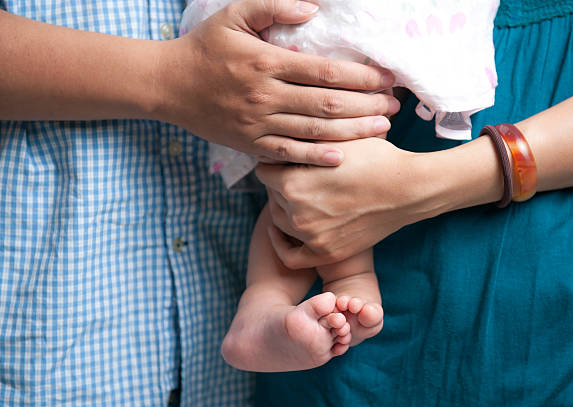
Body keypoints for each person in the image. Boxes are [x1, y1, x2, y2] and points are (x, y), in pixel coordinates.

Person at [0, 0, 399, 405]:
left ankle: (270, 303)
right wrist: (170, 78)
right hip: (58, 322)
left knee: (311, 177)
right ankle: (296, 294)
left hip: (220, 326)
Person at [255, 1, 573, 406]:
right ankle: (261, 307)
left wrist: (416, 187)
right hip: (355, 320)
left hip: (568, 295)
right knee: (306, 173)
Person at [181, 0, 500, 372]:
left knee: (297, 179)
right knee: (320, 161)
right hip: (321, 30)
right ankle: (340, 281)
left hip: (294, 37)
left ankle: (267, 302)